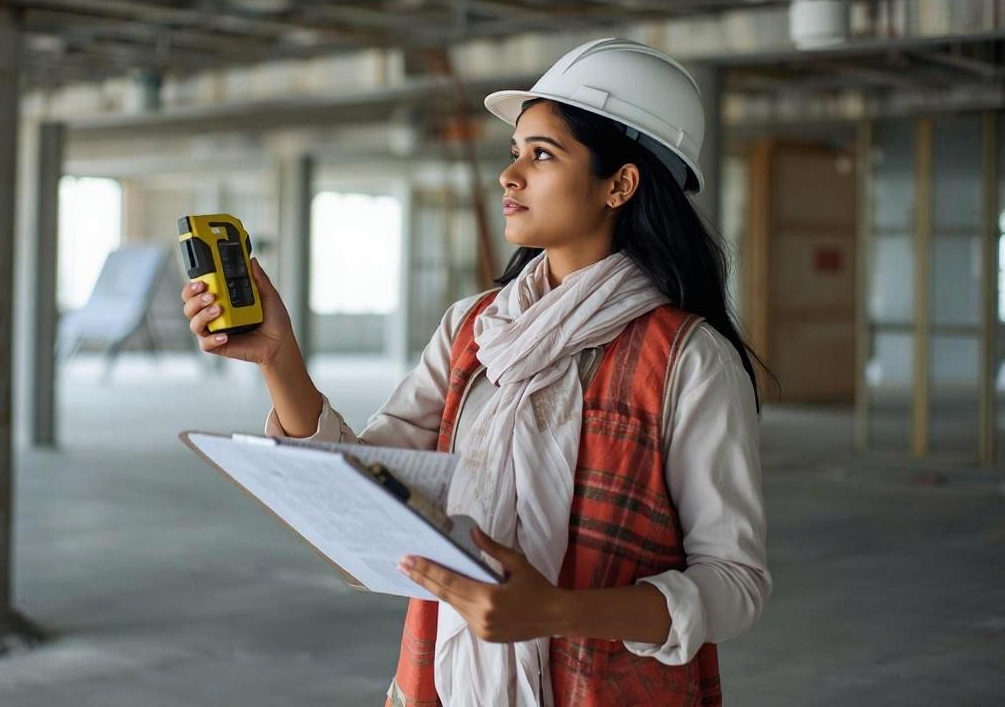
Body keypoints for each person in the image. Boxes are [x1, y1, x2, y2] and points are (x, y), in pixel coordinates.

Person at [180, 38, 771, 707]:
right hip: (450, 683)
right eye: (514, 152)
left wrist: (558, 612)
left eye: (542, 155)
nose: (509, 175)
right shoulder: (474, 328)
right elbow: (373, 478)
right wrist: (278, 357)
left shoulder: (687, 359)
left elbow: (735, 585)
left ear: (620, 184)